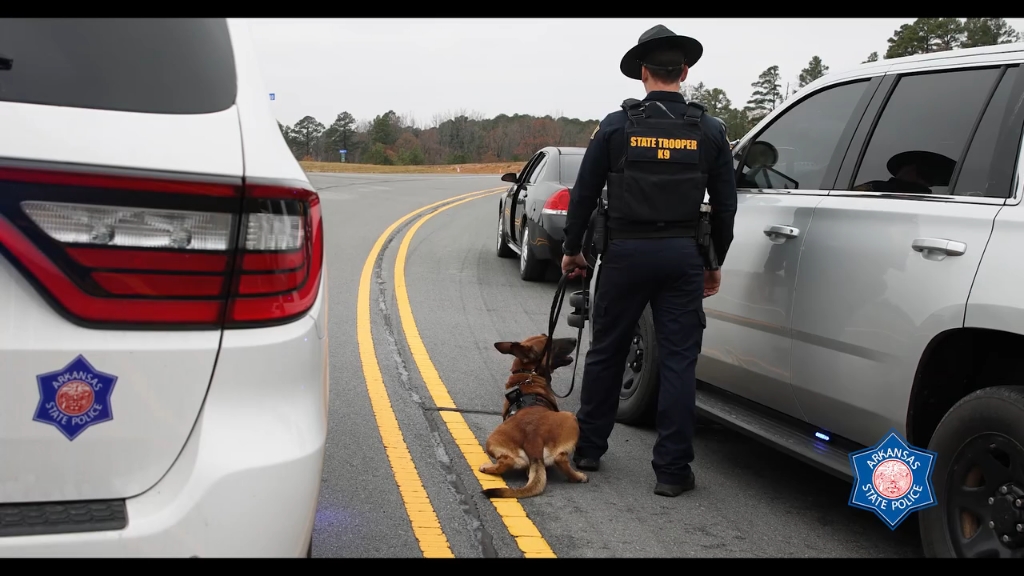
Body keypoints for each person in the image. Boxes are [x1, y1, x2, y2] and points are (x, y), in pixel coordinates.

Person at [559, 24, 737, 497]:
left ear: (642, 73)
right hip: (682, 256)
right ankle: (673, 471)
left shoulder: (616, 126)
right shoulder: (711, 129)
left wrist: (573, 250)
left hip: (623, 254)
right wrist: (714, 260)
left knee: (607, 351)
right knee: (679, 361)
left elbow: (583, 194)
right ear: (684, 71)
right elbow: (725, 204)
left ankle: (589, 449)